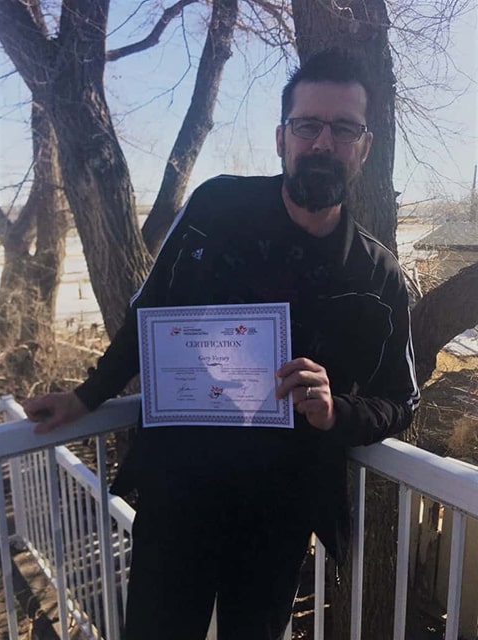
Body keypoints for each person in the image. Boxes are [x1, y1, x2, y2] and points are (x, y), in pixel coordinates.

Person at [24, 49, 420, 640]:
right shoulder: (216, 206)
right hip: (178, 496)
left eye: (344, 128)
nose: (323, 142)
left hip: (277, 517)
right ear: (281, 138)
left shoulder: (378, 276)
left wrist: (337, 411)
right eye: (307, 125)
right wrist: (87, 396)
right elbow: (148, 313)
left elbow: (401, 400)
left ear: (363, 147)